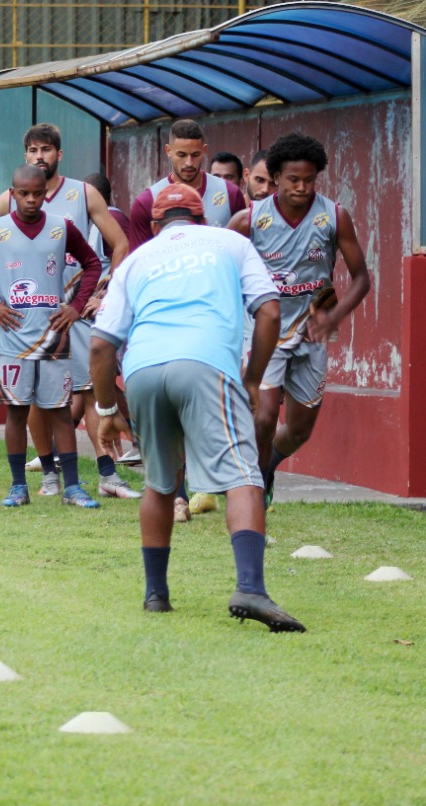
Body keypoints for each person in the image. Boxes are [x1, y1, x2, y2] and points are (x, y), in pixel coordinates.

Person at [91, 182, 305, 632]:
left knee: (161, 482)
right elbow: (268, 311)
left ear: (154, 226)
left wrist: (107, 409)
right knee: (245, 476)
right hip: (205, 362)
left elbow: (100, 344)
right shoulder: (231, 242)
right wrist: (252, 379)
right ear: (202, 218)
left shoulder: (135, 261)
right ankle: (250, 587)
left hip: (142, 368)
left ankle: (156, 595)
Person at [0, 124, 128, 500]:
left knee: (90, 388)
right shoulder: (7, 200)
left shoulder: (83, 193)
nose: (39, 157)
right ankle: (49, 472)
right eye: (32, 150)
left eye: (46, 150)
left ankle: (107, 473)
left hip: (73, 313)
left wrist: (103, 291)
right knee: (33, 399)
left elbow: (120, 245)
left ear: (59, 155)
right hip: (26, 319)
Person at [229, 132, 370, 504]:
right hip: (265, 330)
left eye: (309, 180)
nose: (302, 187)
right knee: (262, 418)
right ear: (275, 177)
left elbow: (361, 278)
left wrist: (332, 317)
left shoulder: (333, 216)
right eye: (294, 180)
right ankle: (253, 491)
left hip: (312, 333)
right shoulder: (249, 221)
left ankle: (268, 466)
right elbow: (220, 271)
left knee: (298, 432)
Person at [0, 164, 102, 508]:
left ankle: (73, 488)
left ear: (45, 194)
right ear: (12, 193)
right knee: (16, 412)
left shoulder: (61, 227)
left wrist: (75, 306)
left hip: (53, 337)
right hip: (11, 338)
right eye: (25, 193)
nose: (32, 200)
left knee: (61, 412)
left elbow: (92, 264)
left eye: (39, 193)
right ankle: (18, 486)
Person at [79, 171, 141, 500]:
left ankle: (138, 438)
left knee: (95, 387)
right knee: (88, 389)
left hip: (109, 317)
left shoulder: (112, 219)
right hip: (86, 314)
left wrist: (104, 295)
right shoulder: (82, 222)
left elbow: (127, 255)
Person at [128, 119, 246, 249]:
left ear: (204, 150)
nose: (189, 163)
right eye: (182, 155)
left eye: (195, 155)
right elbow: (139, 262)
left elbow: (242, 251)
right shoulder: (146, 202)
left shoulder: (230, 194)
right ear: (168, 151)